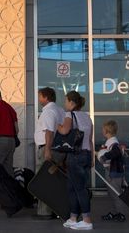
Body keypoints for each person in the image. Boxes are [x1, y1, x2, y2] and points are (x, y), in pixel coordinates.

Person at [57, 91, 94, 230]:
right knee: (72, 187)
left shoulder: (69, 114)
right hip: (86, 154)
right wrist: (91, 158)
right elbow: (89, 139)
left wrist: (56, 125)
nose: (64, 103)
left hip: (75, 156)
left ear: (72, 103)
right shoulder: (87, 117)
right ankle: (73, 218)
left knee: (79, 188)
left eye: (66, 101)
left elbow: (65, 131)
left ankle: (86, 219)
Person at [33, 87, 65, 219]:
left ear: (45, 97)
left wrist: (47, 150)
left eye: (40, 96)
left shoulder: (48, 111)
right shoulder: (60, 110)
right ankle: (54, 210)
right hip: (58, 149)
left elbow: (49, 132)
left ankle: (44, 212)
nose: (39, 98)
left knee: (43, 180)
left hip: (48, 148)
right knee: (54, 181)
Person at [98, 120, 126, 222]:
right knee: (112, 193)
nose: (102, 130)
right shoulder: (110, 141)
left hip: (114, 172)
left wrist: (104, 157)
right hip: (111, 171)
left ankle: (120, 214)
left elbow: (116, 152)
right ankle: (115, 212)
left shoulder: (113, 142)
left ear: (107, 130)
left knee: (116, 193)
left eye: (103, 128)